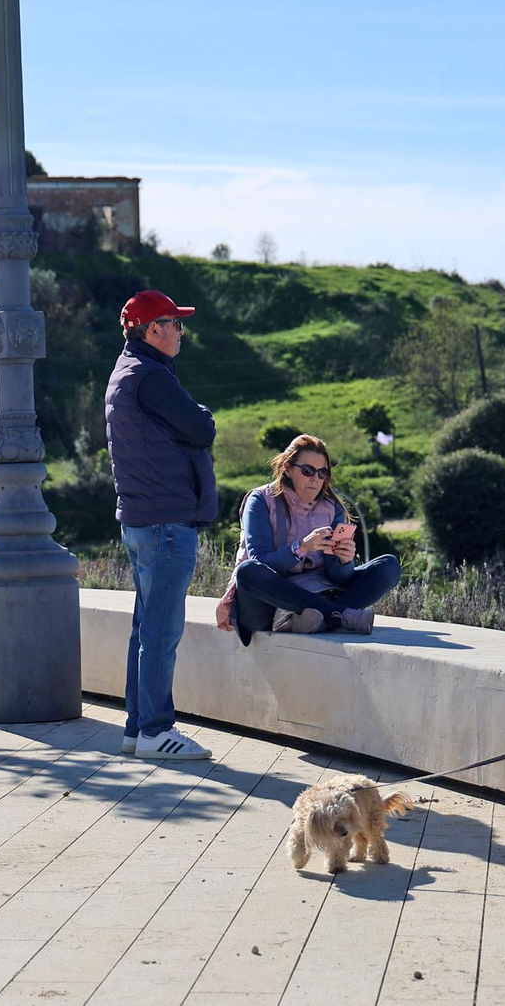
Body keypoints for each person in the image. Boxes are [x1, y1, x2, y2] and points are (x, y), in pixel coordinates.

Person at [105, 289, 218, 761]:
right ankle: (155, 730)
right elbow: (202, 428)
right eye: (175, 323)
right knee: (161, 632)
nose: (181, 332)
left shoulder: (127, 372)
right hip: (166, 522)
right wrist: (202, 416)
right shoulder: (151, 377)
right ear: (153, 330)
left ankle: (137, 730)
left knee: (146, 629)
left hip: (144, 519)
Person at [215, 434, 402, 640]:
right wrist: (301, 548)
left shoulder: (332, 507)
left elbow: (338, 577)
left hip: (318, 590)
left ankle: (315, 619)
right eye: (308, 471)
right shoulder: (260, 501)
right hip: (268, 601)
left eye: (323, 473)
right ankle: (336, 616)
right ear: (287, 467)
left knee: (389, 566)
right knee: (247, 571)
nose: (316, 479)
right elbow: (261, 561)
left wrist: (344, 561)